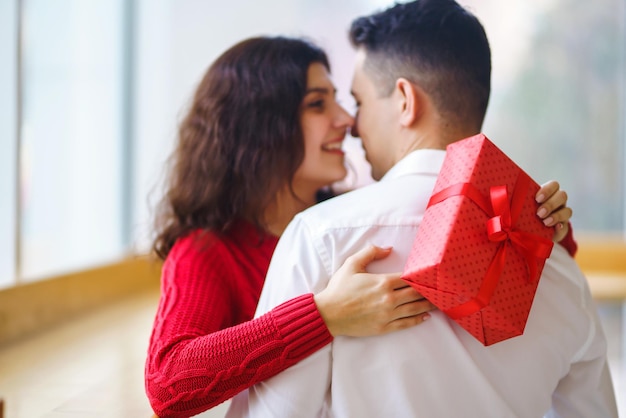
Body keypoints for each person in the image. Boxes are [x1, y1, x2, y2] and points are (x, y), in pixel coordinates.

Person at [144, 35, 574, 418]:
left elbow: (509, 269)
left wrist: (544, 223)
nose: (346, 122)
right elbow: (168, 386)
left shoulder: (351, 222)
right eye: (318, 104)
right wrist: (323, 316)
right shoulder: (208, 251)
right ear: (258, 124)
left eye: (340, 100)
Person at [232, 1, 618, 417]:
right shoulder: (556, 265)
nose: (353, 125)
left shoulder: (320, 237)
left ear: (404, 100)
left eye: (359, 103)